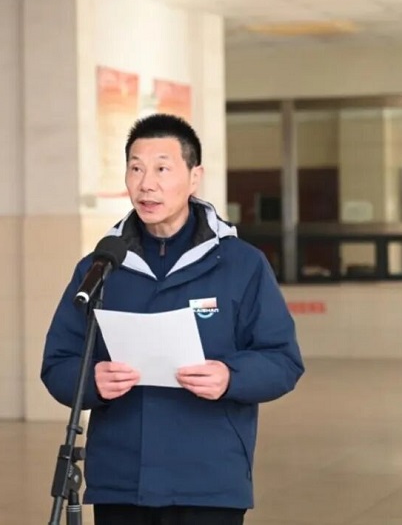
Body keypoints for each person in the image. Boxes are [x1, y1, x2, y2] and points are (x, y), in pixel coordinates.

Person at [41, 113, 304, 525]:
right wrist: (91, 380)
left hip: (209, 480)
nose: (146, 183)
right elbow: (58, 362)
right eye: (136, 169)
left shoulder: (241, 264)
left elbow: (283, 360)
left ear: (194, 177)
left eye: (162, 169)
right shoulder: (100, 267)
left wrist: (230, 377)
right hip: (121, 481)